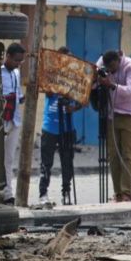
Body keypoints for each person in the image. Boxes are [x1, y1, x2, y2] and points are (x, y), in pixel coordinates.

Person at [38, 47, 82, 206]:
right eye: (65, 59)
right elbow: (49, 92)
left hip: (68, 127)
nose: (68, 62)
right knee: (46, 163)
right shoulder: (51, 74)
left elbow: (83, 100)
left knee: (67, 162)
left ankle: (66, 192)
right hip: (50, 127)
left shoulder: (76, 77)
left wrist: (74, 107)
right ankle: (43, 194)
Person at [95, 50, 131, 202]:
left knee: (127, 155)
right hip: (112, 115)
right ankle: (118, 193)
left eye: (113, 68)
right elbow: (94, 74)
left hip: (130, 115)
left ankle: (127, 192)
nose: (111, 71)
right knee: (114, 156)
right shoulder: (103, 62)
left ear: (119, 60)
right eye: (108, 68)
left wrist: (112, 85)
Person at [1, 43, 26, 204]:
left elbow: (19, 96)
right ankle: (1, 191)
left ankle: (8, 193)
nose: (18, 64)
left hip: (14, 120)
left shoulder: (16, 73)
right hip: (1, 120)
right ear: (7, 56)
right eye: (16, 60)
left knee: (9, 159)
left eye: (20, 61)